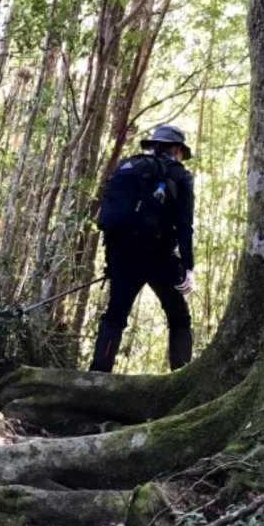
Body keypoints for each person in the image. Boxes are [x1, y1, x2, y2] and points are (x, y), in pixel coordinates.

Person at [89, 124, 195, 373]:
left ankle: (98, 374)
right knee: (179, 318)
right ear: (178, 149)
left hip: (122, 255)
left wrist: (110, 260)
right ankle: (181, 376)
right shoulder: (180, 175)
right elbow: (184, 224)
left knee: (115, 315)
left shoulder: (128, 167)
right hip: (159, 258)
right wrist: (188, 265)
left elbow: (111, 214)